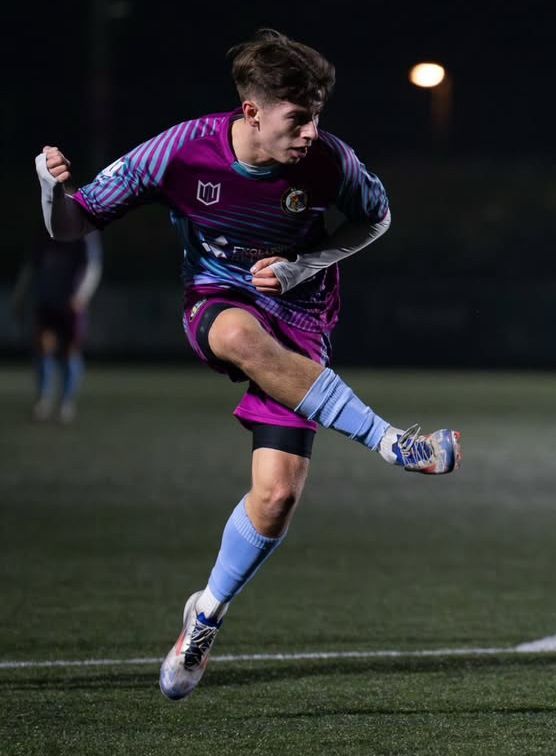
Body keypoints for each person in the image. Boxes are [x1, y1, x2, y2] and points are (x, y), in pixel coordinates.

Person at [35, 29, 462, 700]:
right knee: (238, 336)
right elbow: (72, 223)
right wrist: (50, 189)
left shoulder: (329, 161)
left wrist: (302, 265)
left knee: (277, 496)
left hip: (303, 315)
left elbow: (375, 219)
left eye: (317, 116)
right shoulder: (180, 150)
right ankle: (390, 441)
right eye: (298, 118)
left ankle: (203, 616)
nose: (310, 132)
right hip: (217, 300)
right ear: (251, 110)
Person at [11, 231, 103, 422]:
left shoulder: (84, 232)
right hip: (46, 300)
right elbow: (31, 265)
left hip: (71, 303)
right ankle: (43, 399)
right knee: (43, 346)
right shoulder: (47, 230)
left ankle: (66, 402)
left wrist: (81, 296)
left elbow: (93, 266)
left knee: (71, 351)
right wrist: (20, 295)